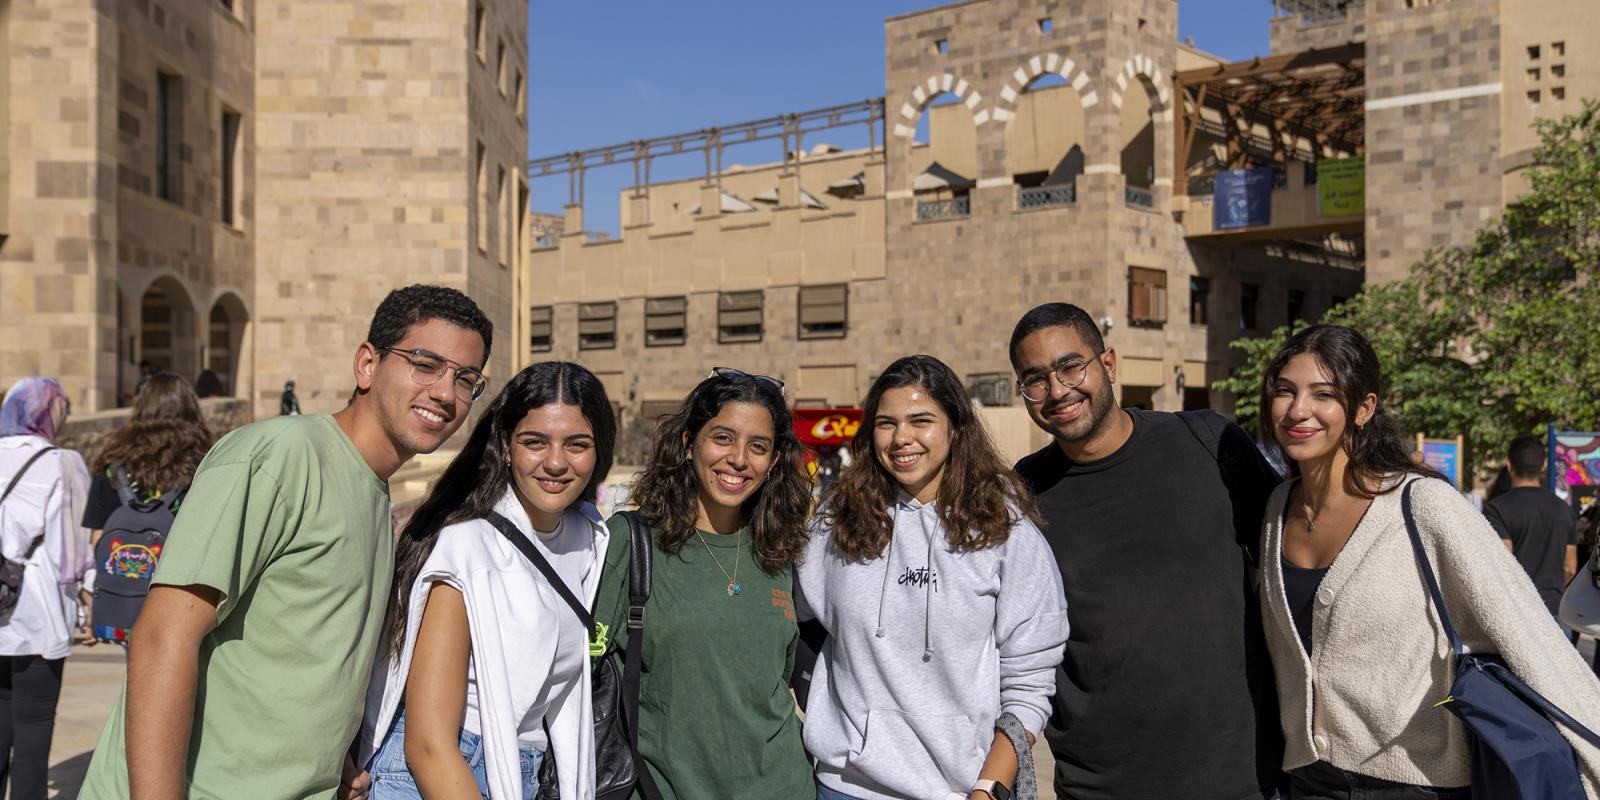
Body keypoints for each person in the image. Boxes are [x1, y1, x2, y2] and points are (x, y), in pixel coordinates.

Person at [80, 285, 493, 800]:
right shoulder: (279, 456)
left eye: (465, 378)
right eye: (425, 363)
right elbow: (163, 636)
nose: (445, 392)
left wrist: (329, 759)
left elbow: (298, 659)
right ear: (367, 364)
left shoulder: (370, 493)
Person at [1256, 324, 1600, 797]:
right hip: (1310, 782)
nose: (1298, 410)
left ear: (1364, 408)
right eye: (1285, 391)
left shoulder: (1423, 505)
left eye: (1324, 394)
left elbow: (1531, 635)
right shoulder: (1275, 508)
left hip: (1418, 785)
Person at [1007, 302, 1284, 800]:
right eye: (1035, 379)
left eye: (1071, 366)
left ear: (1108, 364)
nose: (1057, 390)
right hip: (1099, 786)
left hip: (1238, 776)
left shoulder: (1209, 442)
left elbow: (1296, 550)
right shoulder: (1021, 494)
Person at [797, 355, 1069, 800]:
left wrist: (987, 789)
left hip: (962, 791)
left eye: (920, 420)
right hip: (844, 787)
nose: (902, 438)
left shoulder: (1005, 530)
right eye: (886, 423)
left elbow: (1031, 683)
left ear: (955, 428)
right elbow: (786, 612)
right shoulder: (838, 521)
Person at [357, 362, 616, 799]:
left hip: (524, 770)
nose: (555, 462)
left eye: (577, 444)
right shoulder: (467, 547)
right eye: (534, 442)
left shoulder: (588, 540)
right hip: (446, 773)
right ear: (506, 445)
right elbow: (428, 746)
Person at [592, 367, 815, 800]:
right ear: (688, 442)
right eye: (723, 437)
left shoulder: (780, 551)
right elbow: (585, 674)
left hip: (783, 786)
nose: (738, 459)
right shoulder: (632, 542)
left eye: (758, 447)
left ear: (773, 462)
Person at [0, 377, 92, 800]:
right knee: (34, 727)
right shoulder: (63, 462)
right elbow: (70, 548)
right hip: (36, 610)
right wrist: (87, 599)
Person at [80, 373, 214, 644]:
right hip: (185, 591)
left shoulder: (112, 463)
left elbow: (98, 537)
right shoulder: (207, 462)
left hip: (128, 595)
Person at [1485, 434, 1579, 620]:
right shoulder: (1563, 509)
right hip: (1556, 612)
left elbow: (1502, 562)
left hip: (1516, 612)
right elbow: (1570, 568)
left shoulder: (1496, 509)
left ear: (1509, 465)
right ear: (1543, 466)